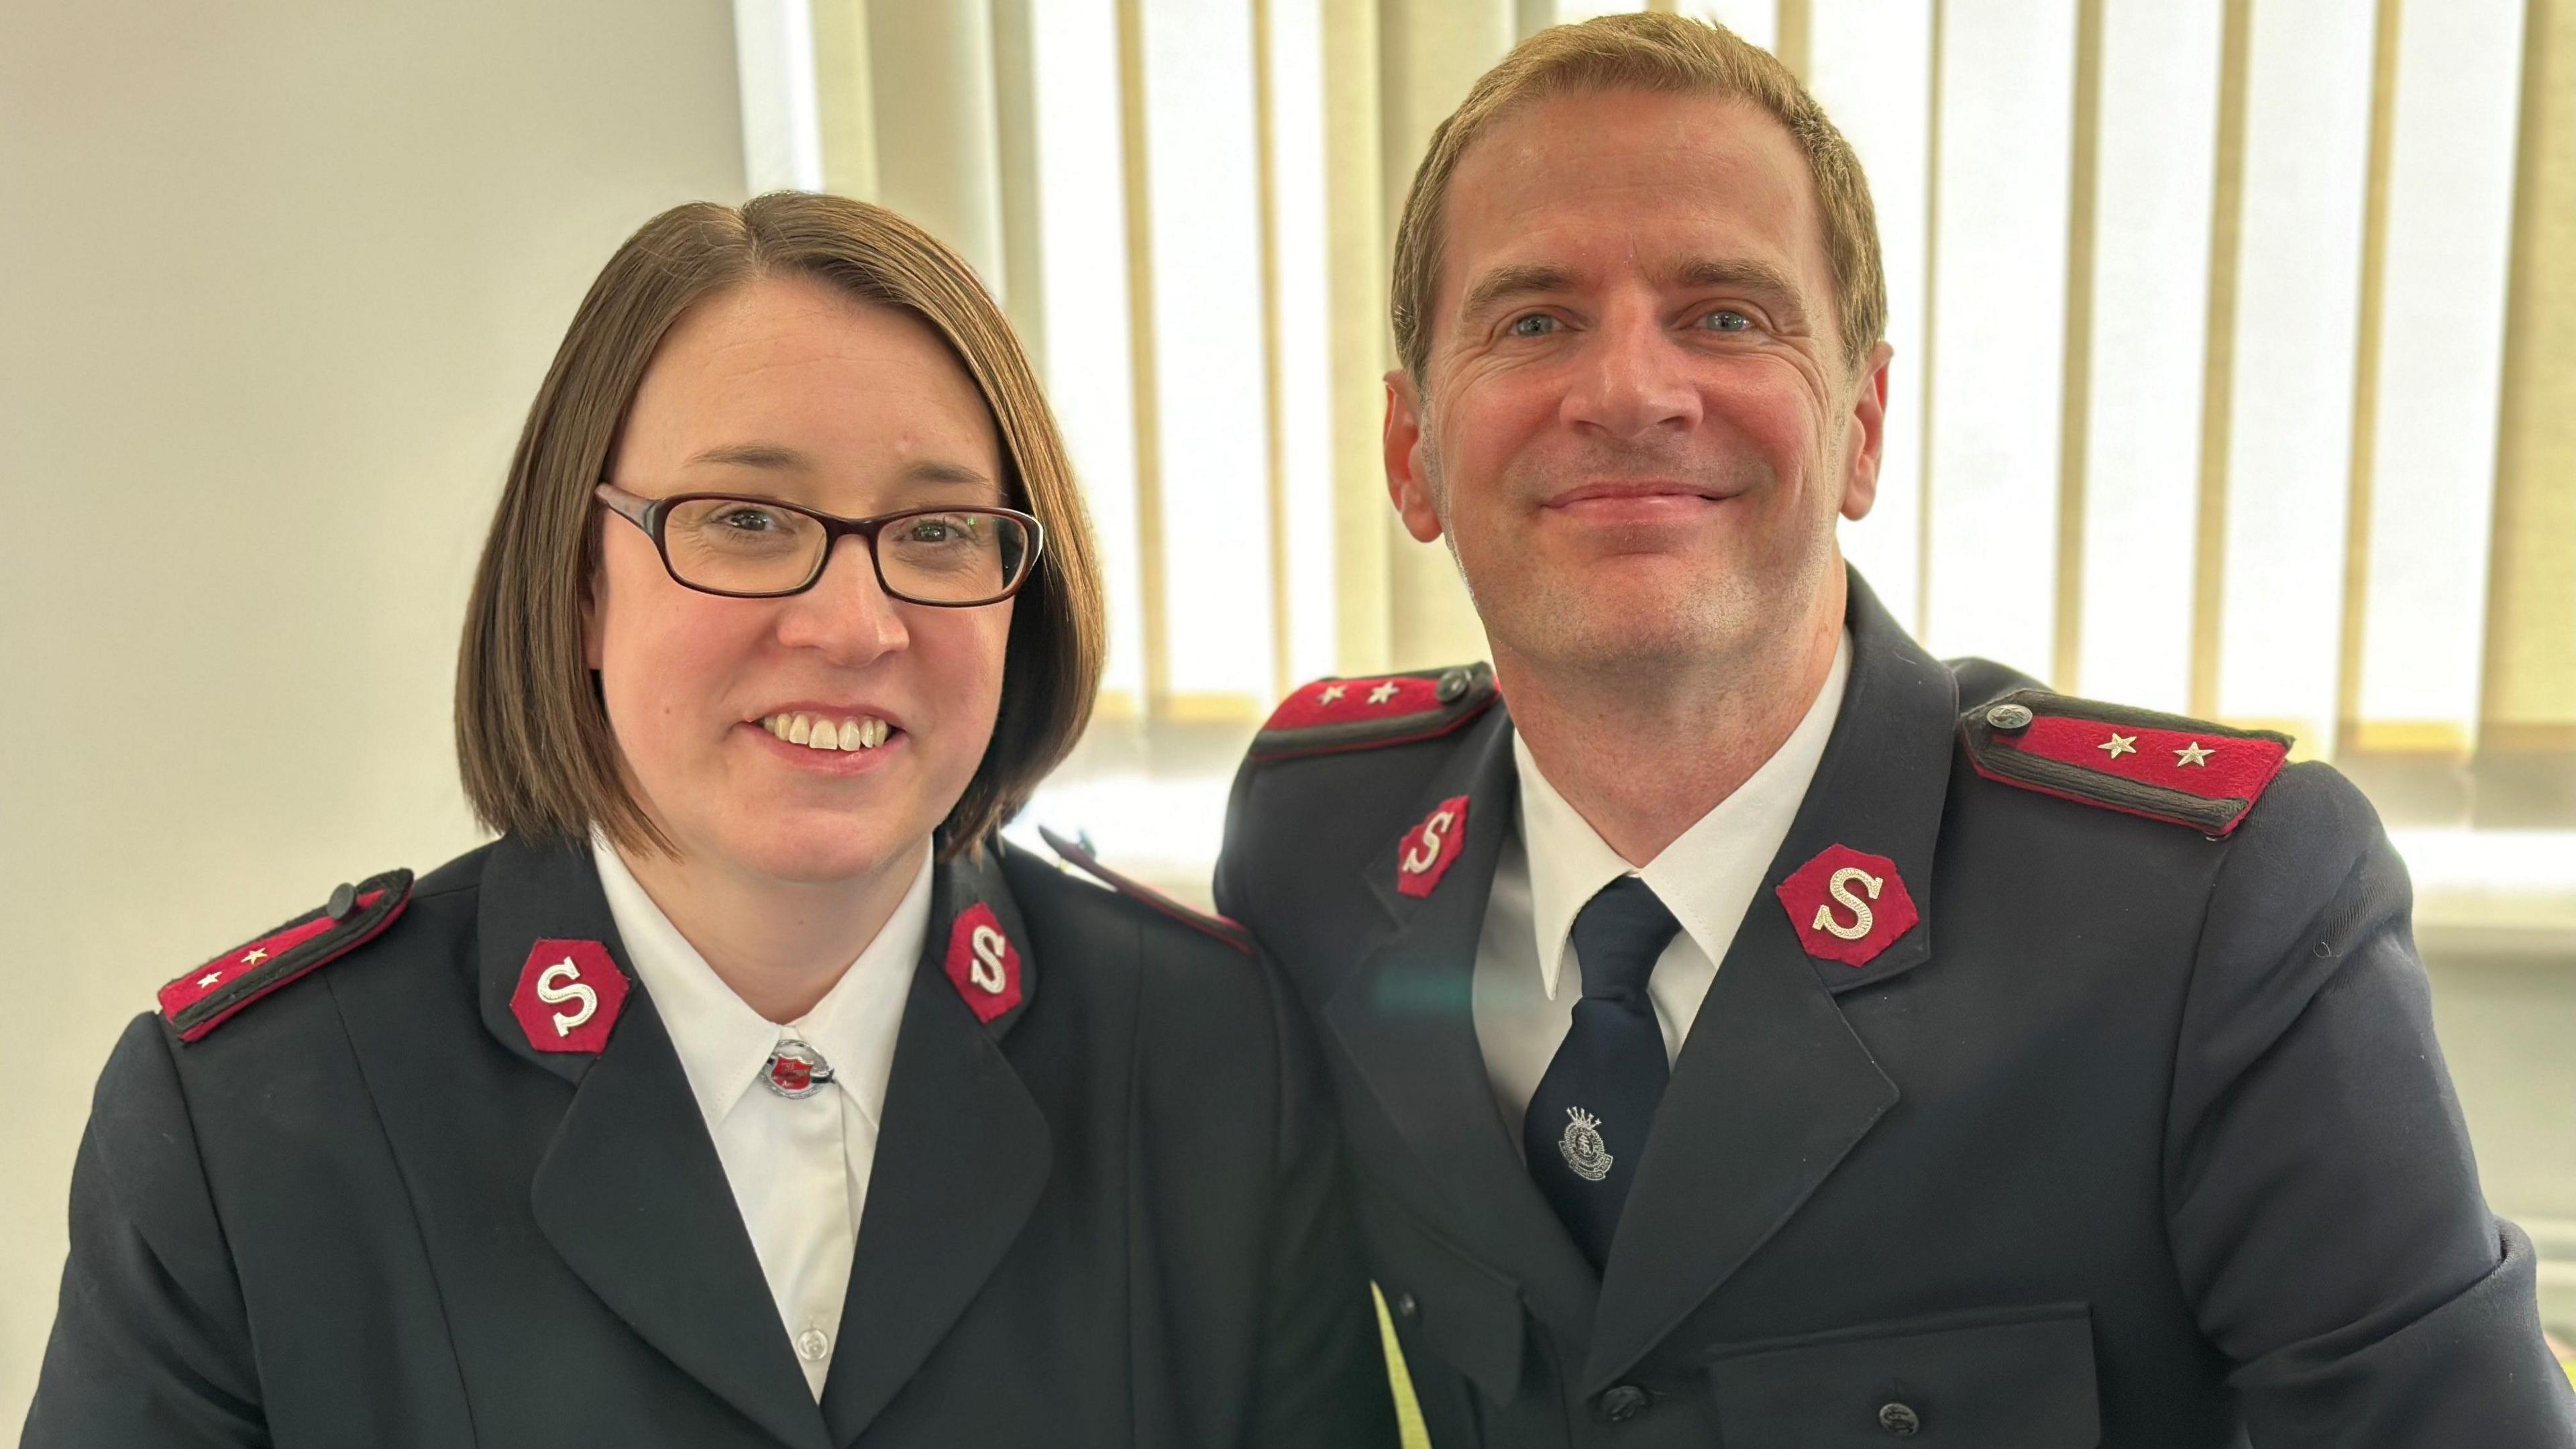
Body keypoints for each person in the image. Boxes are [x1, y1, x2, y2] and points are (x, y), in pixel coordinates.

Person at [1216, 14, 2576, 1447]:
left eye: (1725, 314)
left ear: (1862, 424)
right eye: (1535, 319)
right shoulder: (1322, 843)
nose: (1628, 390)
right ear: (1409, 451)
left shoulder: (2211, 917)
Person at [26, 193, 1398, 1448]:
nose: (857, 625)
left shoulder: (1210, 1057)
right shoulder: (250, 1122)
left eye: (937, 534)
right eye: (745, 518)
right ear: (576, 588)